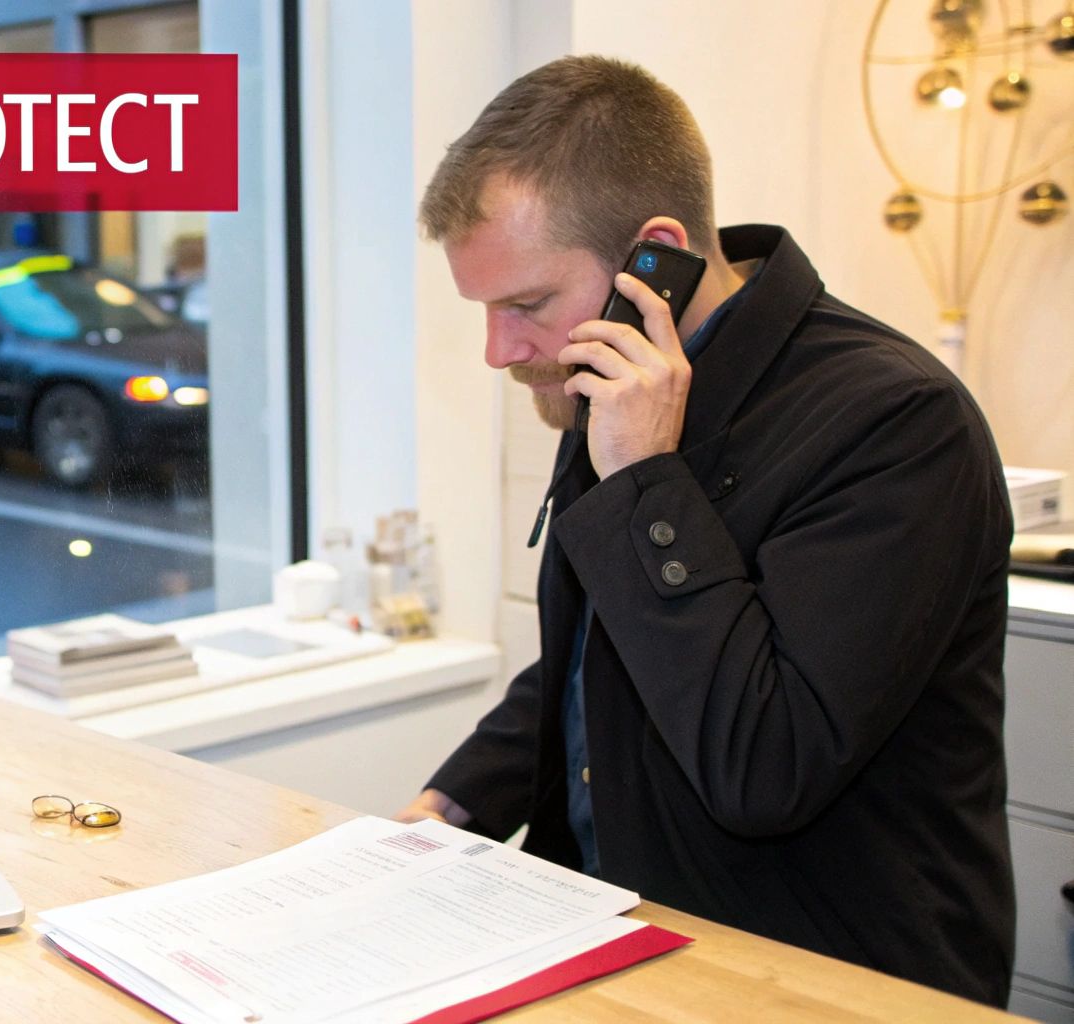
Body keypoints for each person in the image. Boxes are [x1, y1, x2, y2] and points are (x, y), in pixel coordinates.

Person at [398, 55, 1015, 1006]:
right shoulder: (611, 379)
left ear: (655, 259)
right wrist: (450, 806)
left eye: (524, 306)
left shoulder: (897, 422)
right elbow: (594, 654)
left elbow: (765, 765)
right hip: (617, 940)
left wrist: (647, 479)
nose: (500, 351)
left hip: (833, 977)